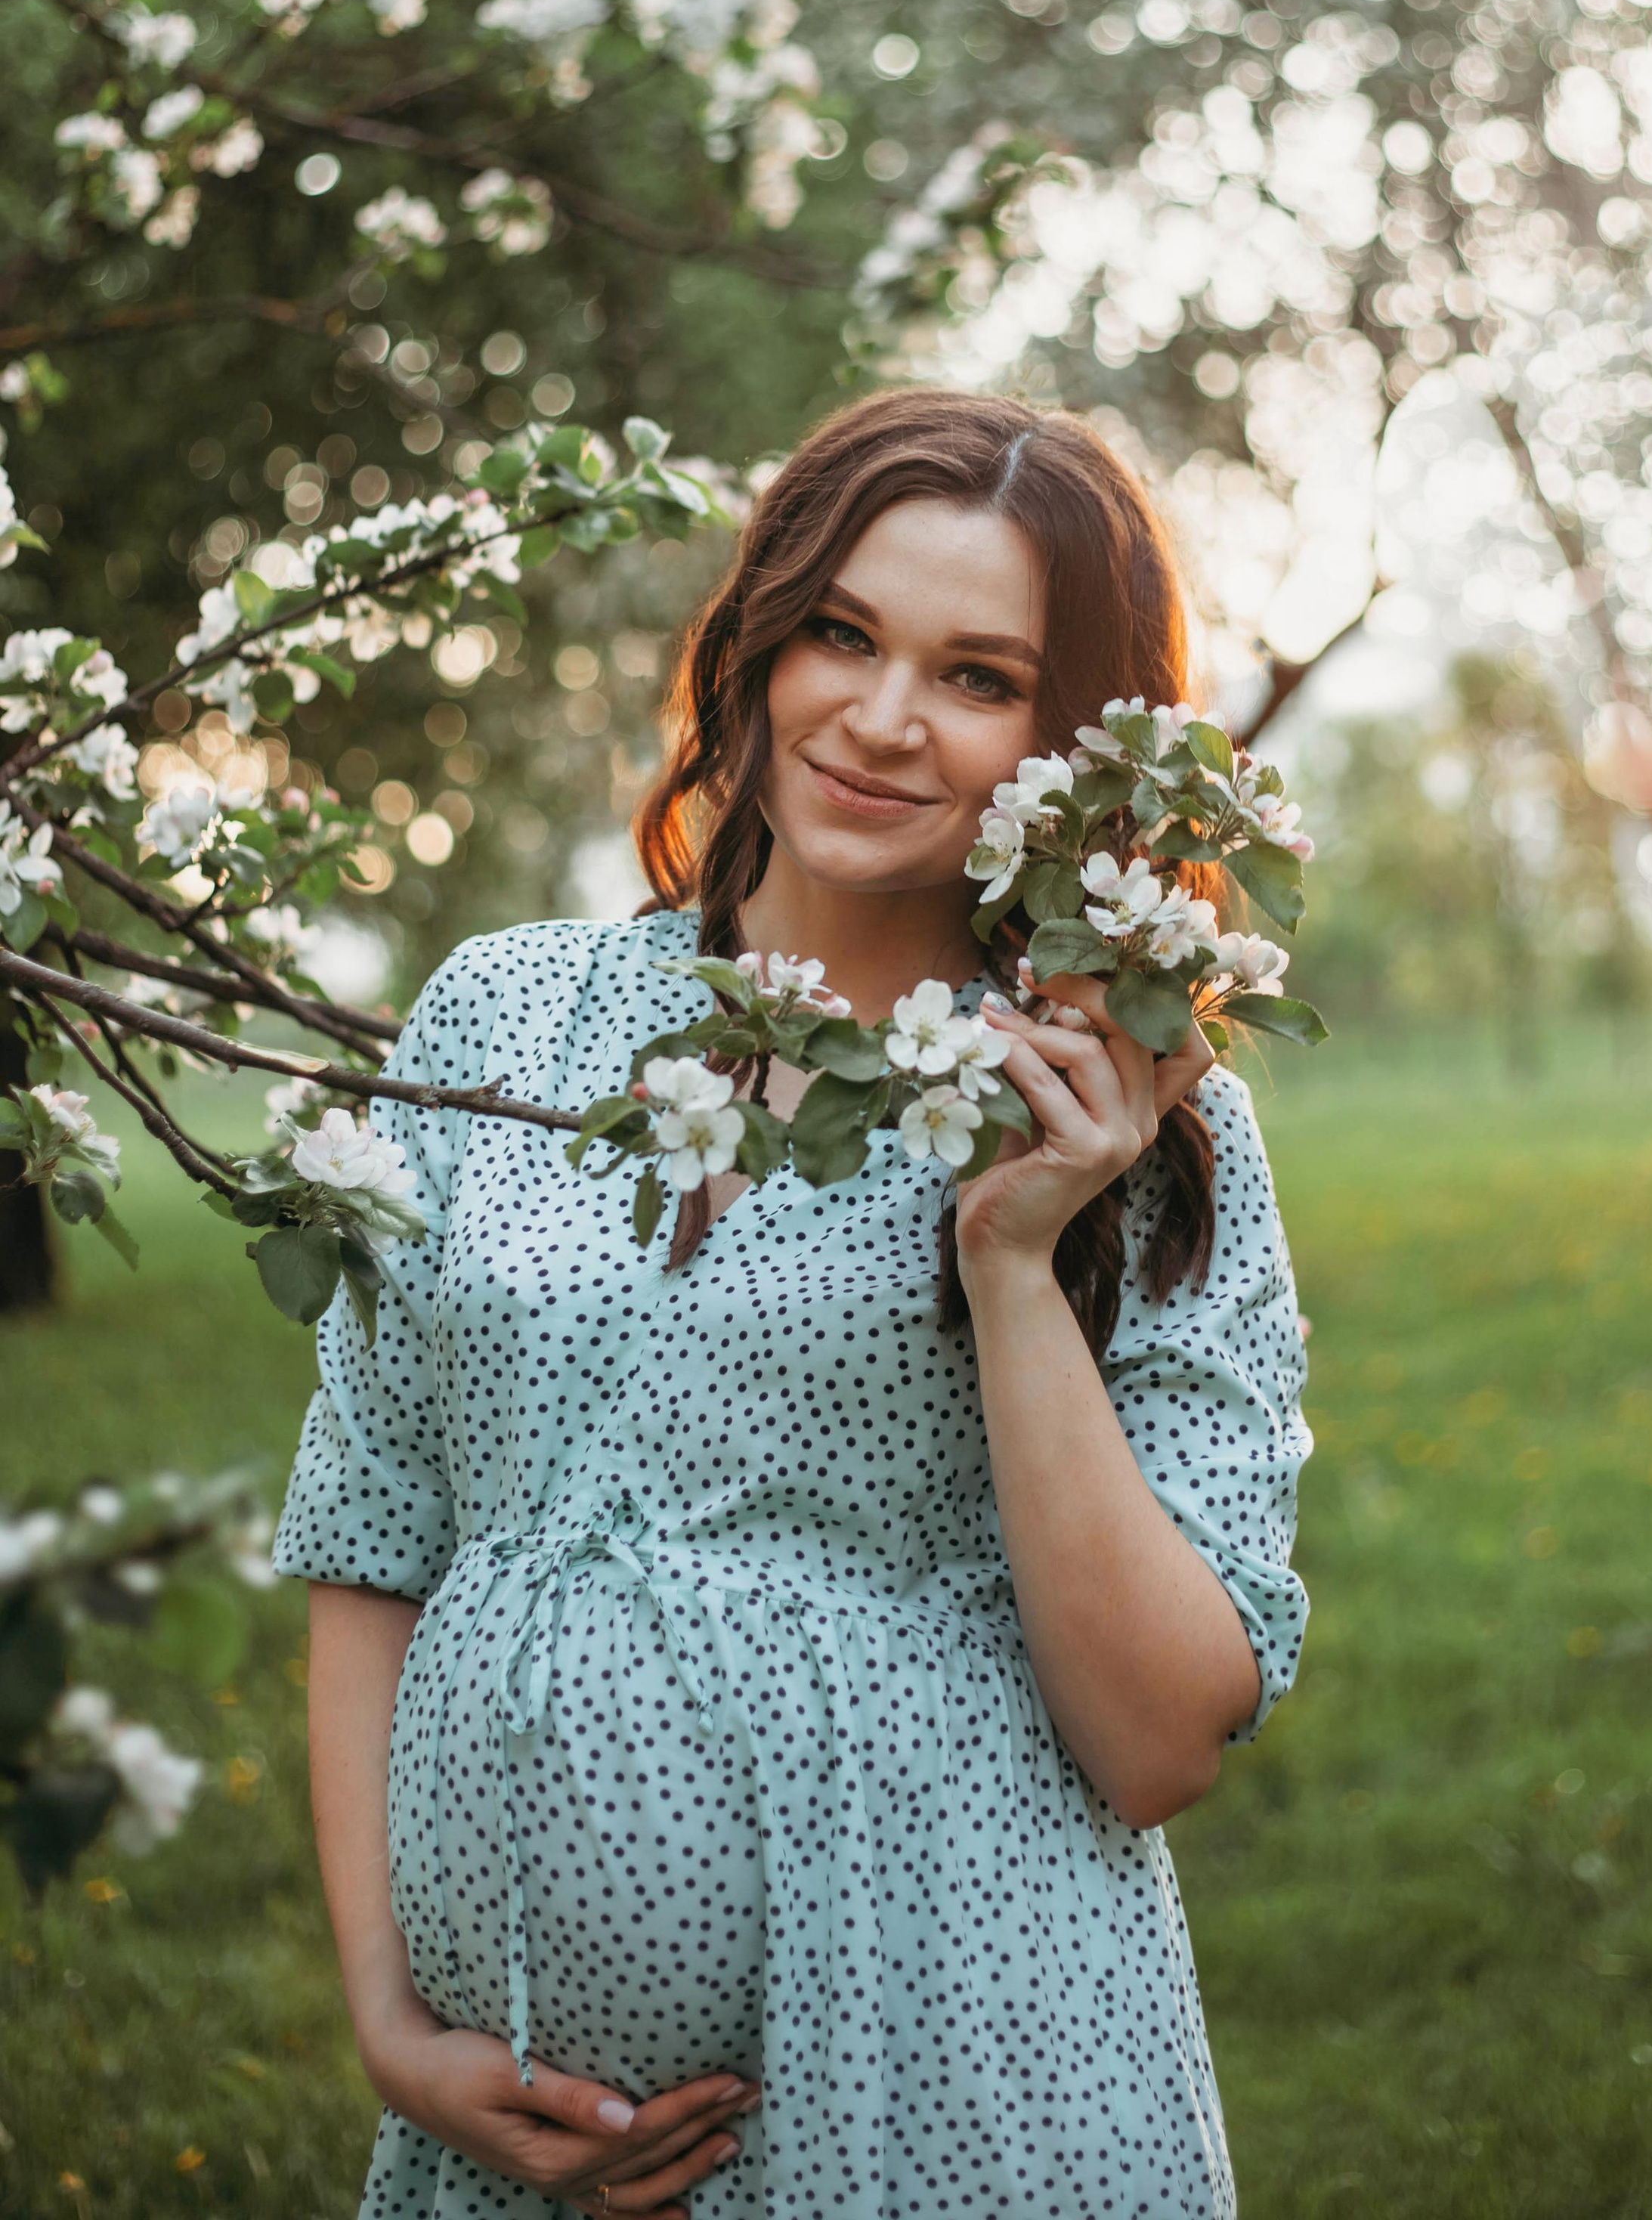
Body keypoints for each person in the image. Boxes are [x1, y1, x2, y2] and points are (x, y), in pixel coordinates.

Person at [274, 389, 1313, 2220]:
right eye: (842, 631)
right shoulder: (504, 1017)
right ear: (755, 637)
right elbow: (375, 1527)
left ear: (1072, 752)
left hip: (956, 2063)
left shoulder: (1141, 1119)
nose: (883, 720)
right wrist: (385, 2020)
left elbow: (1156, 1742)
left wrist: (1009, 1260)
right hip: (496, 2116)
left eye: (977, 677)